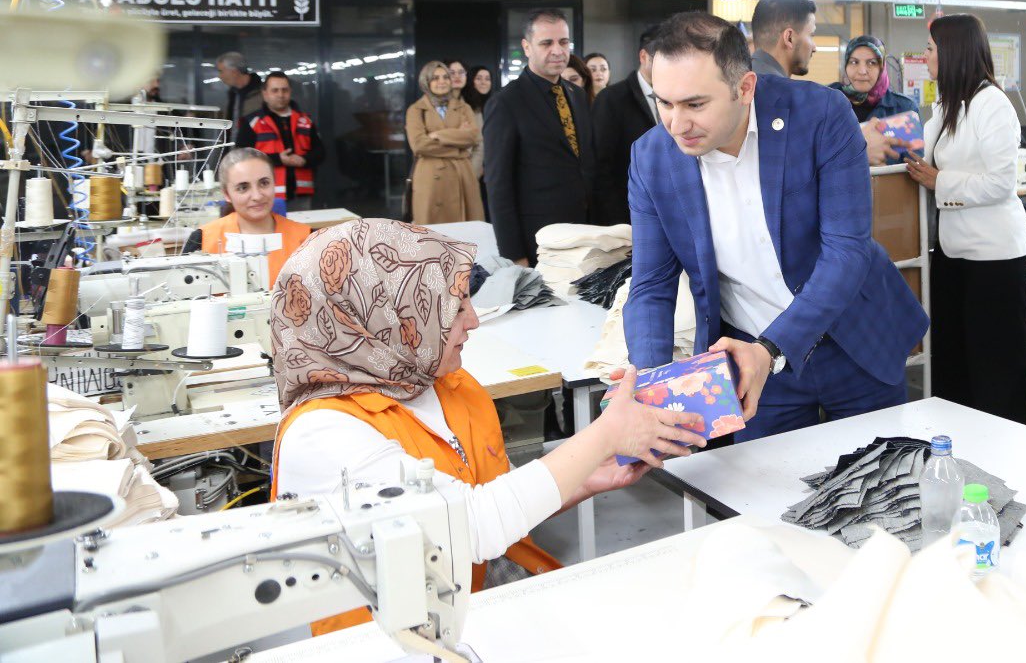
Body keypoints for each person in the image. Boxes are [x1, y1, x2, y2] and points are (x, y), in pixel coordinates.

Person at [270, 219, 706, 634]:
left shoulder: (437, 384)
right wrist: (603, 436)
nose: (474, 320)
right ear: (385, 319)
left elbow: (491, 497)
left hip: (469, 606)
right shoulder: (323, 434)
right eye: (453, 308)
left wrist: (586, 478)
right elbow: (469, 527)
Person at [623, 12, 927, 441]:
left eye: (695, 104)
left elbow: (846, 251)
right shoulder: (652, 158)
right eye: (665, 103)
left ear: (745, 87)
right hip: (751, 360)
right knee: (763, 481)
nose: (677, 124)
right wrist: (650, 385)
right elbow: (651, 285)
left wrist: (772, 348)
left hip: (853, 338)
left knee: (882, 470)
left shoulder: (820, 114)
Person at [903, 15, 1026, 423]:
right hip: (952, 254)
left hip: (994, 259)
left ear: (952, 52)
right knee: (953, 368)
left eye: (930, 49)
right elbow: (914, 151)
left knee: (994, 373)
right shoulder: (946, 104)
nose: (925, 56)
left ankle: (1002, 451)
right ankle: (958, 448)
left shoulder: (992, 104)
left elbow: (1000, 183)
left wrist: (940, 182)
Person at [483, 10, 595, 266]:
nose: (558, 51)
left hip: (585, 233)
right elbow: (498, 186)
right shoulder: (506, 102)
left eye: (563, 42)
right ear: (527, 47)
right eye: (546, 43)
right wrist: (514, 255)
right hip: (538, 239)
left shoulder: (576, 94)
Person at [183, 148, 311, 284]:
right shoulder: (203, 240)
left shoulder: (307, 239)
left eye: (264, 183)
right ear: (227, 194)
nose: (257, 196)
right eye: (243, 188)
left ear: (274, 183)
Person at [592, 25, 663, 226]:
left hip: (668, 209)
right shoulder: (612, 99)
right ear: (644, 57)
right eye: (664, 58)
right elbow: (601, 166)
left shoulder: (677, 95)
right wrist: (616, 220)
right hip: (626, 214)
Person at [406, 61, 484, 224]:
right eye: (435, 78)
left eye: (445, 77)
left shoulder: (464, 108)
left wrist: (437, 135)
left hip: (462, 176)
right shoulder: (416, 110)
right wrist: (459, 147)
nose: (442, 82)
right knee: (432, 231)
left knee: (465, 231)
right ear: (426, 82)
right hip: (430, 178)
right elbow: (419, 145)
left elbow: (473, 137)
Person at [238, 71, 325, 214]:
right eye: (275, 90)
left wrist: (304, 160)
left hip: (301, 195)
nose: (280, 94)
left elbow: (320, 153)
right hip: (264, 196)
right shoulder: (252, 122)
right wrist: (278, 159)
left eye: (285, 90)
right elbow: (242, 156)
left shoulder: (305, 120)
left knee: (300, 229)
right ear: (265, 94)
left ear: (290, 92)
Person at [830, 34, 918, 166]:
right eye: (854, 62)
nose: (862, 71)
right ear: (846, 66)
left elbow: (916, 166)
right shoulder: (827, 102)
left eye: (872, 63)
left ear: (882, 67)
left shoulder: (903, 108)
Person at [749, 0, 818, 78]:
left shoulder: (739, 80)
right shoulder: (783, 86)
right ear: (789, 38)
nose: (814, 48)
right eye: (811, 35)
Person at [215, 51, 264, 142]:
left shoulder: (263, 94)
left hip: (253, 148)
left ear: (234, 72)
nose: (220, 76)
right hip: (233, 148)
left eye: (221, 71)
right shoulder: (233, 93)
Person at [462, 64, 494, 204]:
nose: (483, 82)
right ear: (471, 81)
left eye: (487, 78)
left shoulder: (493, 104)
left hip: (490, 168)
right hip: (472, 168)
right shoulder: (466, 107)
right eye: (479, 78)